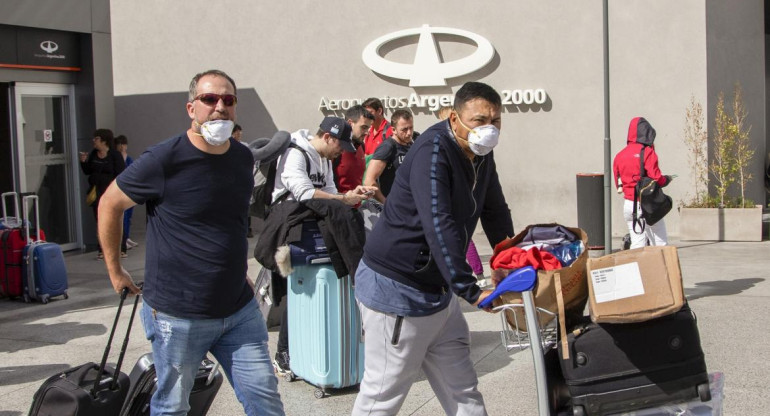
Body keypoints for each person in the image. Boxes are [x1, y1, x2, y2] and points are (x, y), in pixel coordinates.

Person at [97, 69, 285, 416]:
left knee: (265, 402)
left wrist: (235, 271)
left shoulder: (241, 158)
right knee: (171, 408)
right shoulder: (163, 159)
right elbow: (110, 203)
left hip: (238, 311)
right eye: (209, 99)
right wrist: (115, 269)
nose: (219, 107)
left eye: (228, 100)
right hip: (176, 315)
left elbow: (227, 223)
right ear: (191, 108)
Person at [352, 82, 514, 416]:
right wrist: (470, 289)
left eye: (495, 121)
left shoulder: (482, 153)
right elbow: (438, 223)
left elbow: (494, 209)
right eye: (480, 119)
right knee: (382, 397)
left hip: (438, 295)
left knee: (464, 392)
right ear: (454, 118)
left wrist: (508, 259)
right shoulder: (432, 151)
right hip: (396, 290)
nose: (489, 129)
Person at [271, 115, 376, 375]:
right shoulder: (295, 153)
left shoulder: (325, 160)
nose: (341, 152)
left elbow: (329, 192)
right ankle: (283, 352)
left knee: (349, 217)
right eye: (339, 145)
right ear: (327, 137)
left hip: (314, 225)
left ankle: (356, 277)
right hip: (290, 226)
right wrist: (342, 199)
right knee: (295, 292)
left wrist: (349, 197)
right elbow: (303, 192)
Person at [613, 116, 672, 249]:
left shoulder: (619, 155)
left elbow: (618, 184)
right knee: (660, 242)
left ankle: (638, 269)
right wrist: (667, 179)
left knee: (637, 243)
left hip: (629, 205)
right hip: (647, 204)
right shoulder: (647, 152)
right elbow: (657, 178)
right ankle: (660, 269)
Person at [79, 128, 126, 259]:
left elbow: (121, 174)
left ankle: (120, 248)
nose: (94, 141)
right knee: (100, 222)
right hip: (97, 194)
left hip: (112, 194)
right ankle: (102, 249)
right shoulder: (94, 154)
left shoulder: (114, 155)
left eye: (96, 138)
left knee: (114, 221)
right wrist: (83, 162)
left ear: (104, 140)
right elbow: (88, 171)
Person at [363, 109, 415, 203]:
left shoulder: (411, 144)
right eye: (404, 129)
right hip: (394, 207)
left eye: (411, 128)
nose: (409, 133)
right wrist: (386, 203)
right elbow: (369, 181)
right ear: (393, 130)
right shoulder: (387, 147)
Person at [333, 105, 374, 193]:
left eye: (368, 128)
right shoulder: (335, 147)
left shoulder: (361, 146)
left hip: (357, 205)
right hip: (338, 204)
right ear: (350, 123)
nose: (367, 132)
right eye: (363, 127)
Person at [113, 135, 138, 252]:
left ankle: (127, 237)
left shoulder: (129, 159)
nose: (123, 147)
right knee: (123, 216)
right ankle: (123, 239)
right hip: (122, 192)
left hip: (130, 191)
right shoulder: (117, 158)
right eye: (120, 145)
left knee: (128, 216)